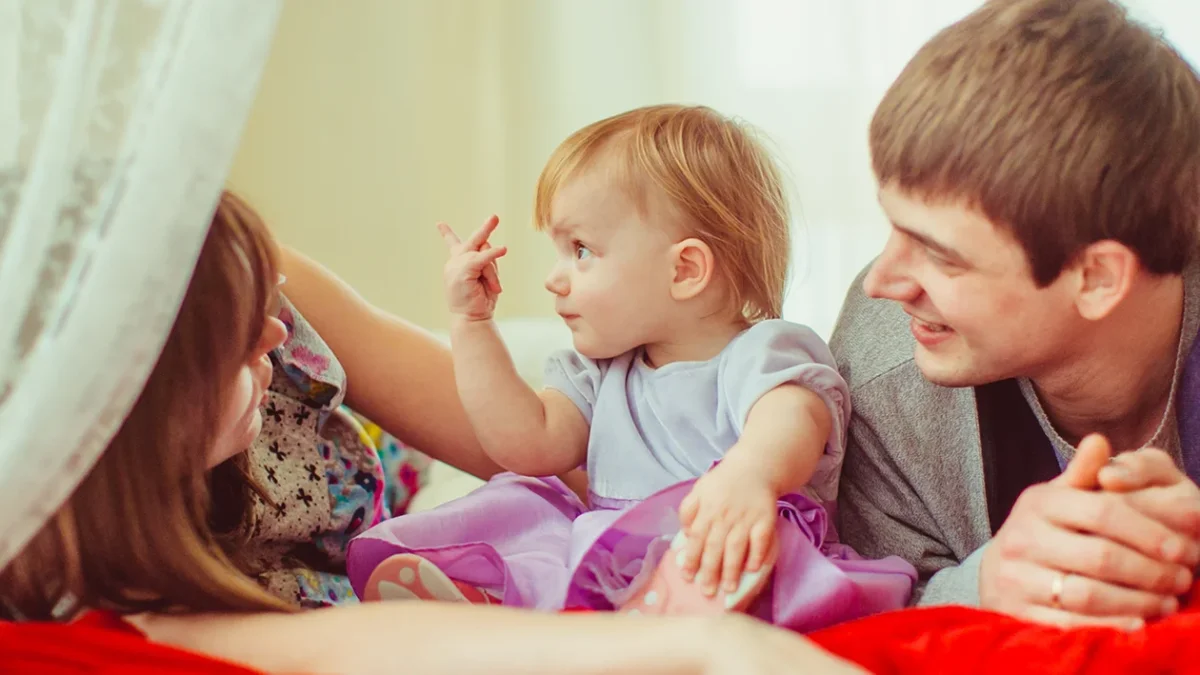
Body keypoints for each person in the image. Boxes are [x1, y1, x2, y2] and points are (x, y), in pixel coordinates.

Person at [0, 182, 864, 674]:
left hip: (393, 489)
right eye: (239, 338)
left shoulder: (254, 289)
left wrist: (690, 503)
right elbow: (336, 647)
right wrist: (691, 644)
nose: (276, 330)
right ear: (132, 409)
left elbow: (533, 444)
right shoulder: (80, 579)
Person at [342, 104, 915, 628]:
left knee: (743, 554)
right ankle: (486, 596)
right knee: (523, 502)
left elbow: (794, 418)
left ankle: (654, 615)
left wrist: (750, 476)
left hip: (725, 545)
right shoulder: (598, 372)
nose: (554, 277)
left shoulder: (761, 351)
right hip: (613, 564)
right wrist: (472, 328)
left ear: (685, 270)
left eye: (582, 251)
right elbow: (524, 445)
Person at [829, 0, 1200, 630]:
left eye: (940, 255)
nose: (880, 282)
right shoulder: (874, 380)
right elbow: (858, 618)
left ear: (1097, 278)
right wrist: (983, 584)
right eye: (893, 226)